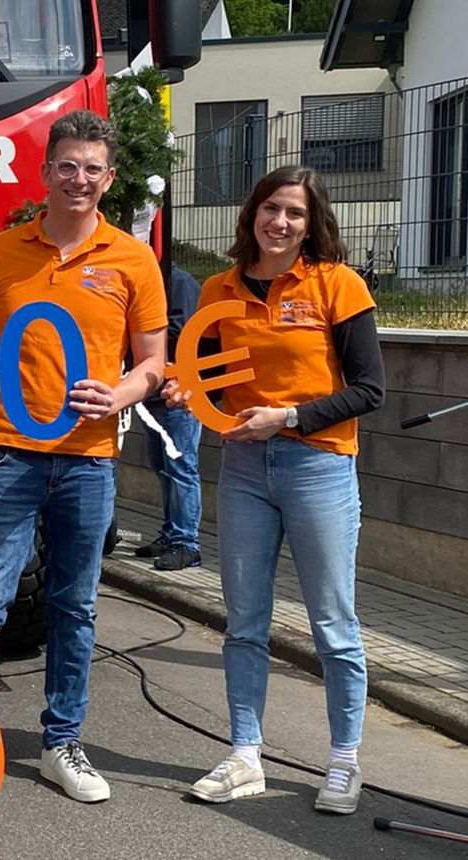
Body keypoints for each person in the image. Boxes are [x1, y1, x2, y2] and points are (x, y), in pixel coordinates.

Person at [0, 110, 166, 803]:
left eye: (91, 168)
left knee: (74, 606)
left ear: (108, 180)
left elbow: (153, 364)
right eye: (66, 166)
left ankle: (61, 743)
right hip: (5, 455)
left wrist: (121, 394)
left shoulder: (133, 260)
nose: (78, 179)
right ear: (45, 172)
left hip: (88, 458)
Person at [166, 165, 384, 815]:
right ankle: (244, 754)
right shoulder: (219, 288)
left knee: (333, 626)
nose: (279, 221)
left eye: (293, 211)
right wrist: (188, 391)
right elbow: (205, 373)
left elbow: (369, 389)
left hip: (317, 467)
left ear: (313, 222)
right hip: (244, 472)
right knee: (244, 623)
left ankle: (344, 761)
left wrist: (287, 417)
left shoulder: (336, 285)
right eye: (270, 208)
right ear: (251, 215)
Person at [135, 263, 204, 570]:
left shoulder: (180, 282)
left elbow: (185, 332)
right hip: (152, 395)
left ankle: (186, 542)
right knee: (163, 468)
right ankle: (171, 533)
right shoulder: (151, 281)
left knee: (181, 468)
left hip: (179, 396)